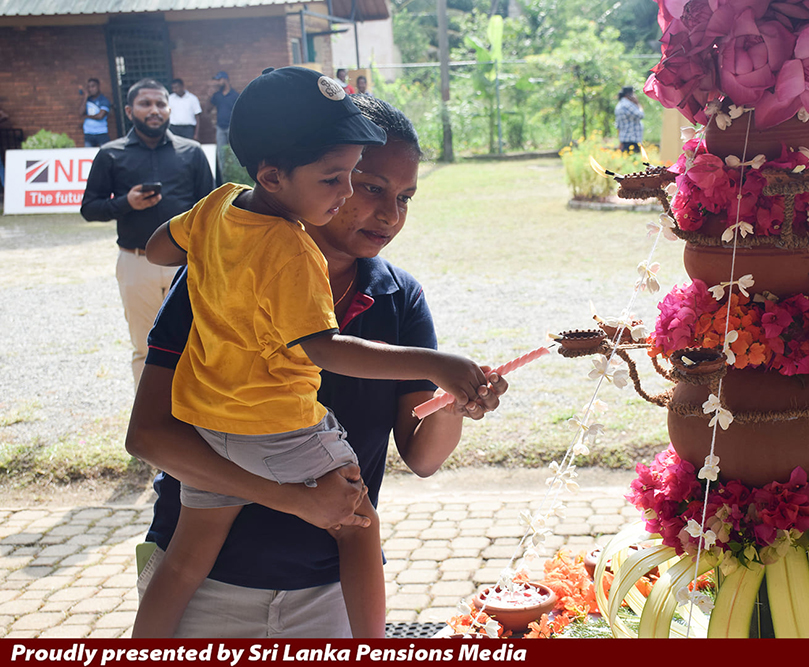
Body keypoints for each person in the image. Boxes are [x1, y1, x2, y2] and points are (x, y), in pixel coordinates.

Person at [125, 93, 508, 638]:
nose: (389, 213)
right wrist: (298, 501)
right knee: (354, 520)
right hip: (213, 595)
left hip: (329, 596)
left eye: (405, 197)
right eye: (367, 185)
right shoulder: (219, 276)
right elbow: (147, 437)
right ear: (287, 174)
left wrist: (454, 401)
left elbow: (423, 457)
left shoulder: (397, 297)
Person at [81, 79, 214, 387]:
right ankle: (150, 415)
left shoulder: (192, 152)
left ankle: (193, 412)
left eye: (160, 104)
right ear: (129, 111)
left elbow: (211, 209)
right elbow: (89, 208)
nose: (154, 110)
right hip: (136, 263)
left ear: (169, 109)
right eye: (145, 104)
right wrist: (125, 203)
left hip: (188, 265)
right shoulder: (110, 154)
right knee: (145, 348)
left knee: (199, 345)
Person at [208, 71, 239, 185]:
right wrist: (209, 96)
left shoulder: (234, 95)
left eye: (219, 80)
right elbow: (208, 109)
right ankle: (223, 179)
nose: (217, 82)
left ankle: (235, 176)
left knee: (234, 152)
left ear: (225, 80)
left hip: (231, 127)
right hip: (220, 128)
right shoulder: (217, 95)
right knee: (221, 153)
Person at [79, 78, 111, 147]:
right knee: (88, 153)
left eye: (93, 86)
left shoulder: (104, 100)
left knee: (105, 152)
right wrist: (85, 97)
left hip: (101, 133)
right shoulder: (87, 100)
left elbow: (100, 116)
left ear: (98, 87)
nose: (91, 89)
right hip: (88, 133)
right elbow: (81, 113)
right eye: (89, 87)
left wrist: (86, 116)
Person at [614, 86, 644, 154]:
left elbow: (618, 126)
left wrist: (620, 141)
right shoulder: (628, 104)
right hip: (632, 139)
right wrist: (638, 103)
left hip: (624, 140)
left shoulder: (619, 105)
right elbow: (641, 115)